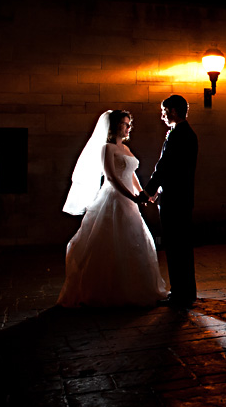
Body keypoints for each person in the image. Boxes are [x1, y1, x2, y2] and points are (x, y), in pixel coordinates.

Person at [58, 110, 168, 307]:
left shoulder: (125, 148)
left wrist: (144, 193)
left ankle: (135, 287)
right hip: (114, 198)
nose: (128, 127)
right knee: (110, 243)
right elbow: (111, 178)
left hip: (129, 200)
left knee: (134, 241)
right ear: (115, 125)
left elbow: (132, 174)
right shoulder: (107, 148)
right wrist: (132, 197)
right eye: (125, 123)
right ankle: (109, 291)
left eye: (129, 124)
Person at [139, 95, 199, 307]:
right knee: (182, 246)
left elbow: (164, 167)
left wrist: (148, 192)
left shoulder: (178, 135)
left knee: (175, 246)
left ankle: (180, 294)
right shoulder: (187, 134)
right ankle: (186, 292)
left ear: (173, 111)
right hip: (181, 198)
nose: (162, 115)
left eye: (164, 110)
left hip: (175, 200)